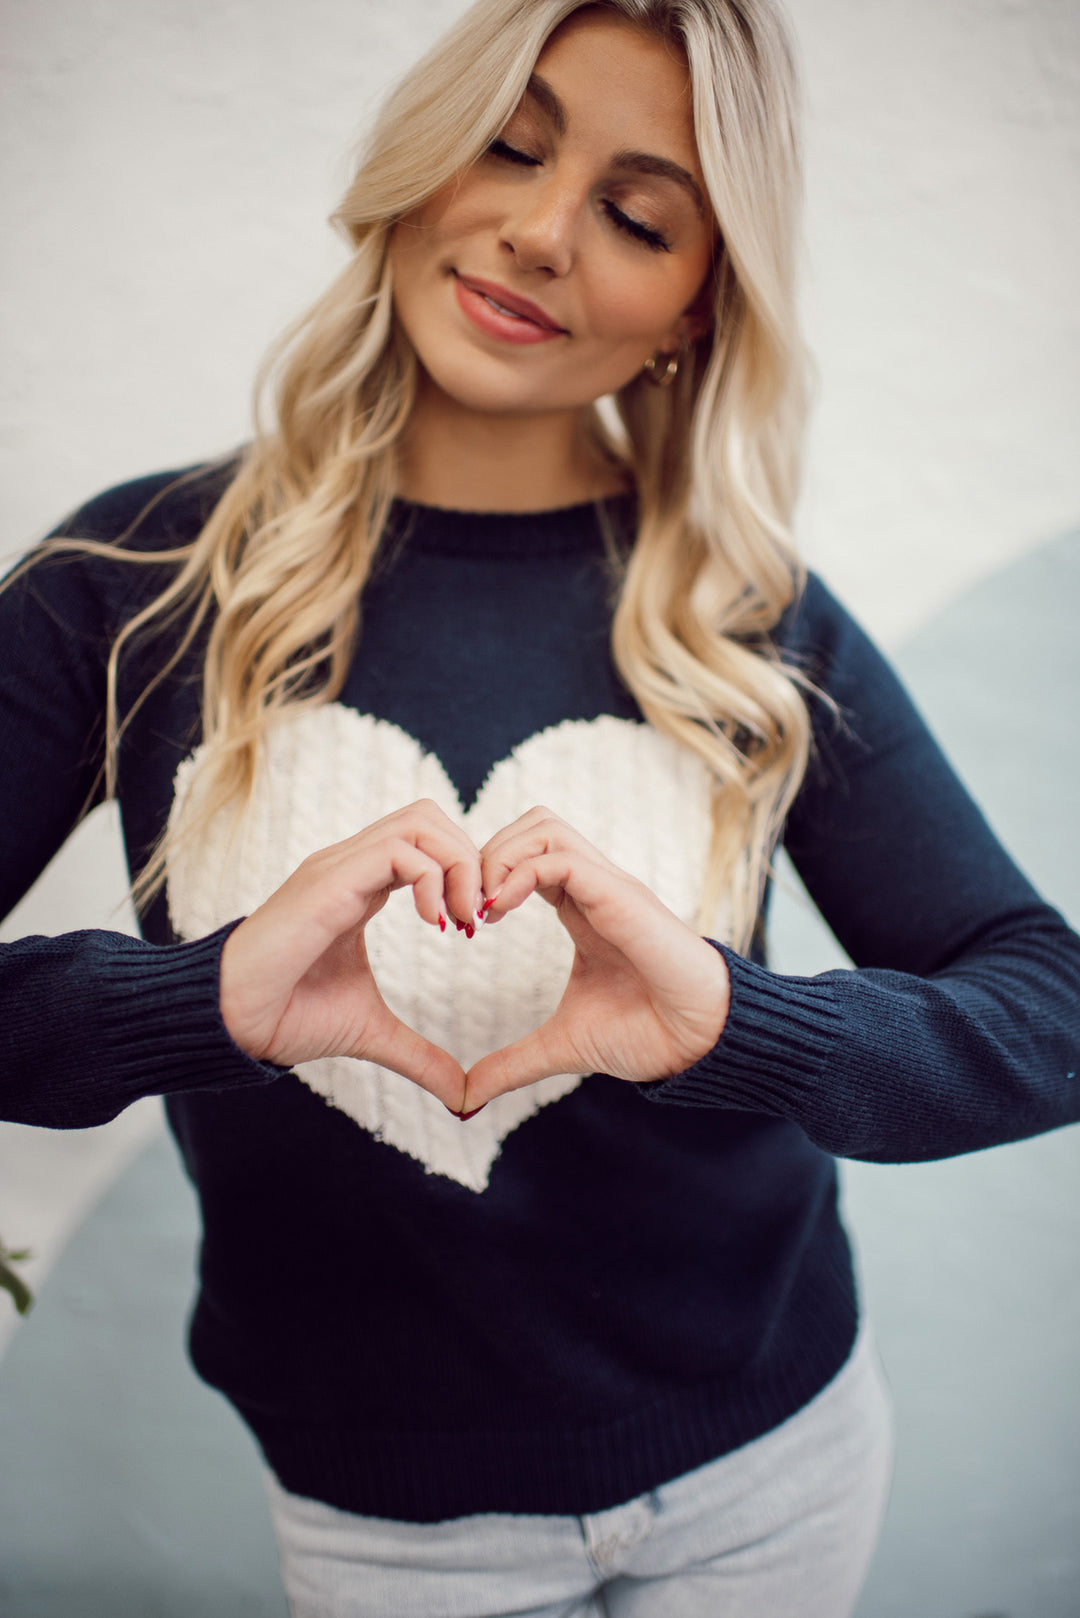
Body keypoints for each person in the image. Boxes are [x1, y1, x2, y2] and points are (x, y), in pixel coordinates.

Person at [2, 0, 1078, 1613]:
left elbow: (1045, 1010)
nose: (538, 229)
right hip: (393, 1522)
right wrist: (197, 999)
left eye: (638, 215)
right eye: (508, 146)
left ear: (695, 308)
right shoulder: (131, 585)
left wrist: (737, 1021)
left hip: (772, 1468)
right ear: (420, 164)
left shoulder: (750, 615)